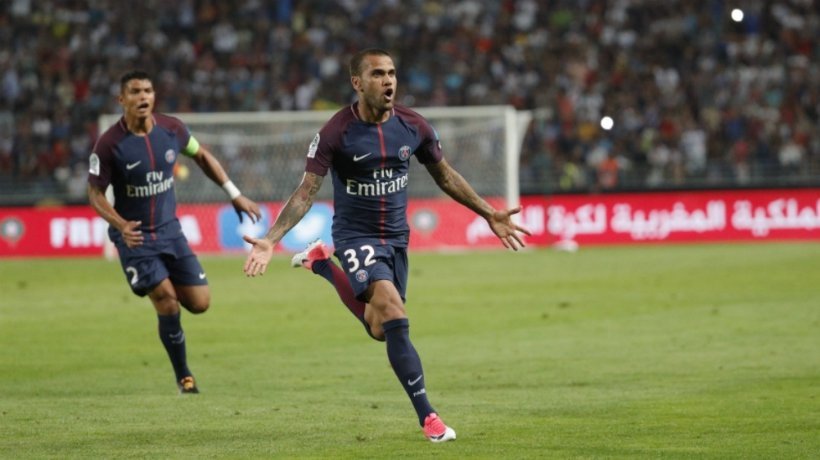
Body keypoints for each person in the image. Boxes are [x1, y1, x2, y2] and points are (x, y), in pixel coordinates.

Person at [242, 49, 530, 442]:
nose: (389, 81)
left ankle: (320, 264)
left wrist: (487, 212)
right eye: (378, 74)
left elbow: (445, 176)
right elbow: (307, 191)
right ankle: (429, 418)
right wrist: (270, 240)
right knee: (394, 313)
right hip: (355, 237)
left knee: (380, 328)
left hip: (396, 238)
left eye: (392, 73)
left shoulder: (414, 127)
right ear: (357, 83)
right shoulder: (335, 132)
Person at [87, 70, 261, 394]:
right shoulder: (109, 144)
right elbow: (95, 193)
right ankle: (184, 376)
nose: (143, 97)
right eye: (135, 92)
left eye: (148, 91)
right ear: (121, 99)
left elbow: (202, 155)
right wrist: (120, 225)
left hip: (170, 232)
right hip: (135, 236)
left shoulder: (173, 129)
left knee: (200, 302)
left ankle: (164, 293)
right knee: (167, 300)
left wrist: (233, 192)